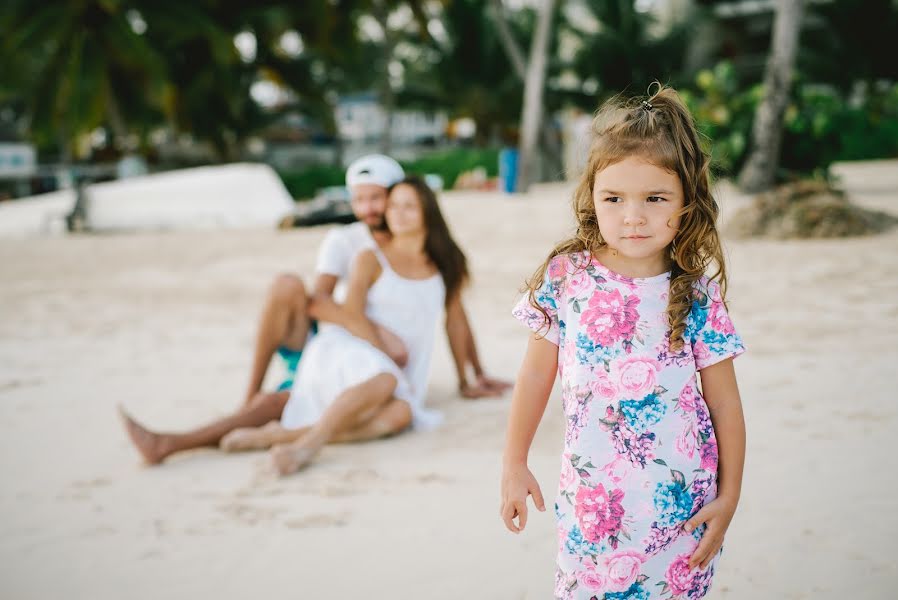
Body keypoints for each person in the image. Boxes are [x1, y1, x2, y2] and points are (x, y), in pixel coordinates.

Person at [499, 85, 747, 599]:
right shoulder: (566, 277)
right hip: (592, 505)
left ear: (686, 203)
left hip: (683, 510)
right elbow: (535, 374)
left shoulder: (696, 292)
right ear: (592, 197)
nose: (633, 216)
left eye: (656, 199)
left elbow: (724, 401)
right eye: (614, 199)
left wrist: (730, 497)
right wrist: (514, 461)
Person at [122, 176, 468, 474]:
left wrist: (469, 378)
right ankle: (307, 446)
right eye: (393, 206)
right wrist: (385, 347)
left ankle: (279, 436)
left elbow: (456, 321)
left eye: (408, 205)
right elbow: (349, 315)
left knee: (400, 415)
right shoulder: (368, 257)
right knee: (379, 381)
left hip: (395, 372)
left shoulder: (447, 263)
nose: (397, 213)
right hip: (353, 351)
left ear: (428, 210)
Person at [243, 154, 510, 406]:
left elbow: (455, 314)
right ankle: (251, 394)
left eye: (376, 198)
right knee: (286, 284)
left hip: (375, 350)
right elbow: (318, 302)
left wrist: (473, 375)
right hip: (341, 339)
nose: (367, 208)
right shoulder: (345, 240)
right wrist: (380, 336)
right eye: (358, 200)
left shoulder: (416, 245)